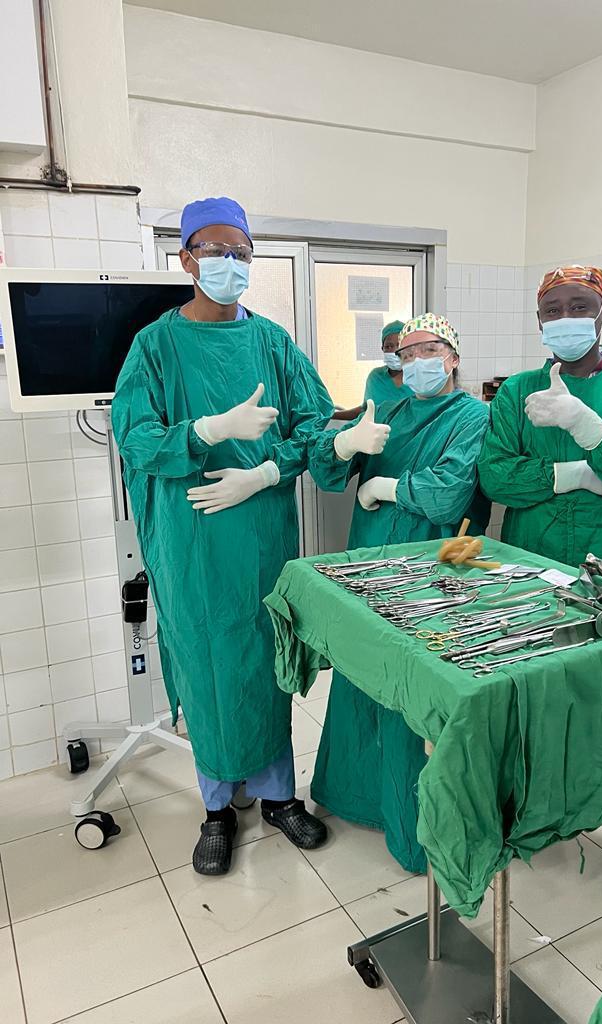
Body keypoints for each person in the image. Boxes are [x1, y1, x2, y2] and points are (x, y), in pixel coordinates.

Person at [112, 197, 333, 875]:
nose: (229, 263)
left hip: (261, 534)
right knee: (206, 662)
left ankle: (278, 796)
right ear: (186, 259)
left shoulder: (272, 343)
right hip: (190, 541)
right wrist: (207, 430)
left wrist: (265, 471)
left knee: (264, 659)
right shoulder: (155, 347)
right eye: (214, 251)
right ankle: (215, 809)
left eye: (240, 252)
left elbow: (315, 424)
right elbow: (135, 436)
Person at [477, 265, 602, 905]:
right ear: (539, 320)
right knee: (544, 700)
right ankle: (547, 809)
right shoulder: (518, 392)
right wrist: (576, 473)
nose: (566, 318)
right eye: (553, 309)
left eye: (580, 305)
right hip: (539, 568)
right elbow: (496, 476)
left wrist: (587, 426)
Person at [308, 313, 490, 872]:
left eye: (427, 350)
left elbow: (448, 494)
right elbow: (325, 473)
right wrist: (344, 444)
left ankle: (414, 825)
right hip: (369, 562)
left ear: (452, 357)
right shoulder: (386, 413)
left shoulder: (473, 416)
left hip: (431, 570)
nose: (415, 363)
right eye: (405, 355)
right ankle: (352, 794)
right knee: (363, 673)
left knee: (415, 690)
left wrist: (385, 486)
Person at [332, 320, 413, 421]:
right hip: (377, 430)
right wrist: (331, 415)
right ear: (382, 349)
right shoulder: (376, 377)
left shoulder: (417, 377)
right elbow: (366, 410)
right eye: (388, 346)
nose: (394, 351)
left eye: (399, 345)